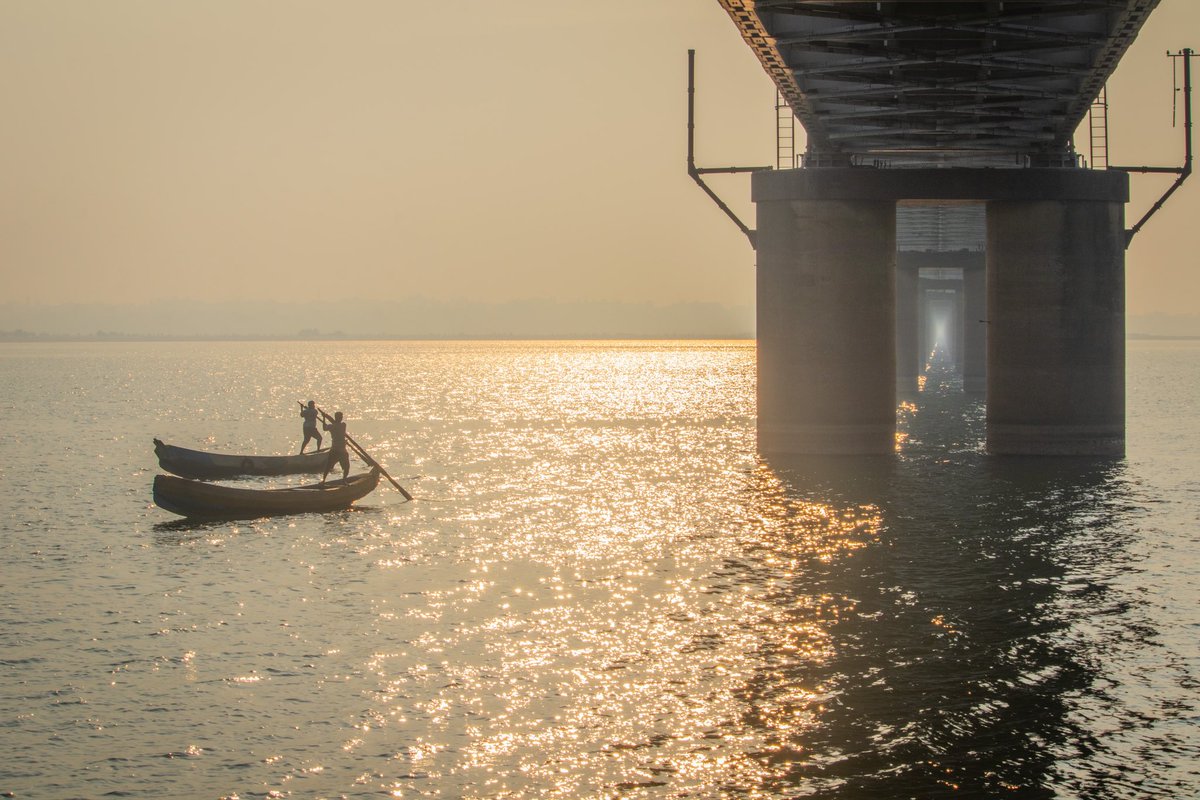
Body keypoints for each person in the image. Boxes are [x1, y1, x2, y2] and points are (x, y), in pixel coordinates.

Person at [321, 410, 350, 483]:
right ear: (339, 418)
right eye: (341, 417)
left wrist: (324, 418)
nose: (342, 418)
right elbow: (334, 422)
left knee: (328, 466)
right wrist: (326, 416)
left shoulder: (331, 426)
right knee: (346, 467)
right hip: (340, 450)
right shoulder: (343, 425)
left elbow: (324, 428)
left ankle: (324, 480)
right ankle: (344, 480)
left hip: (335, 449)